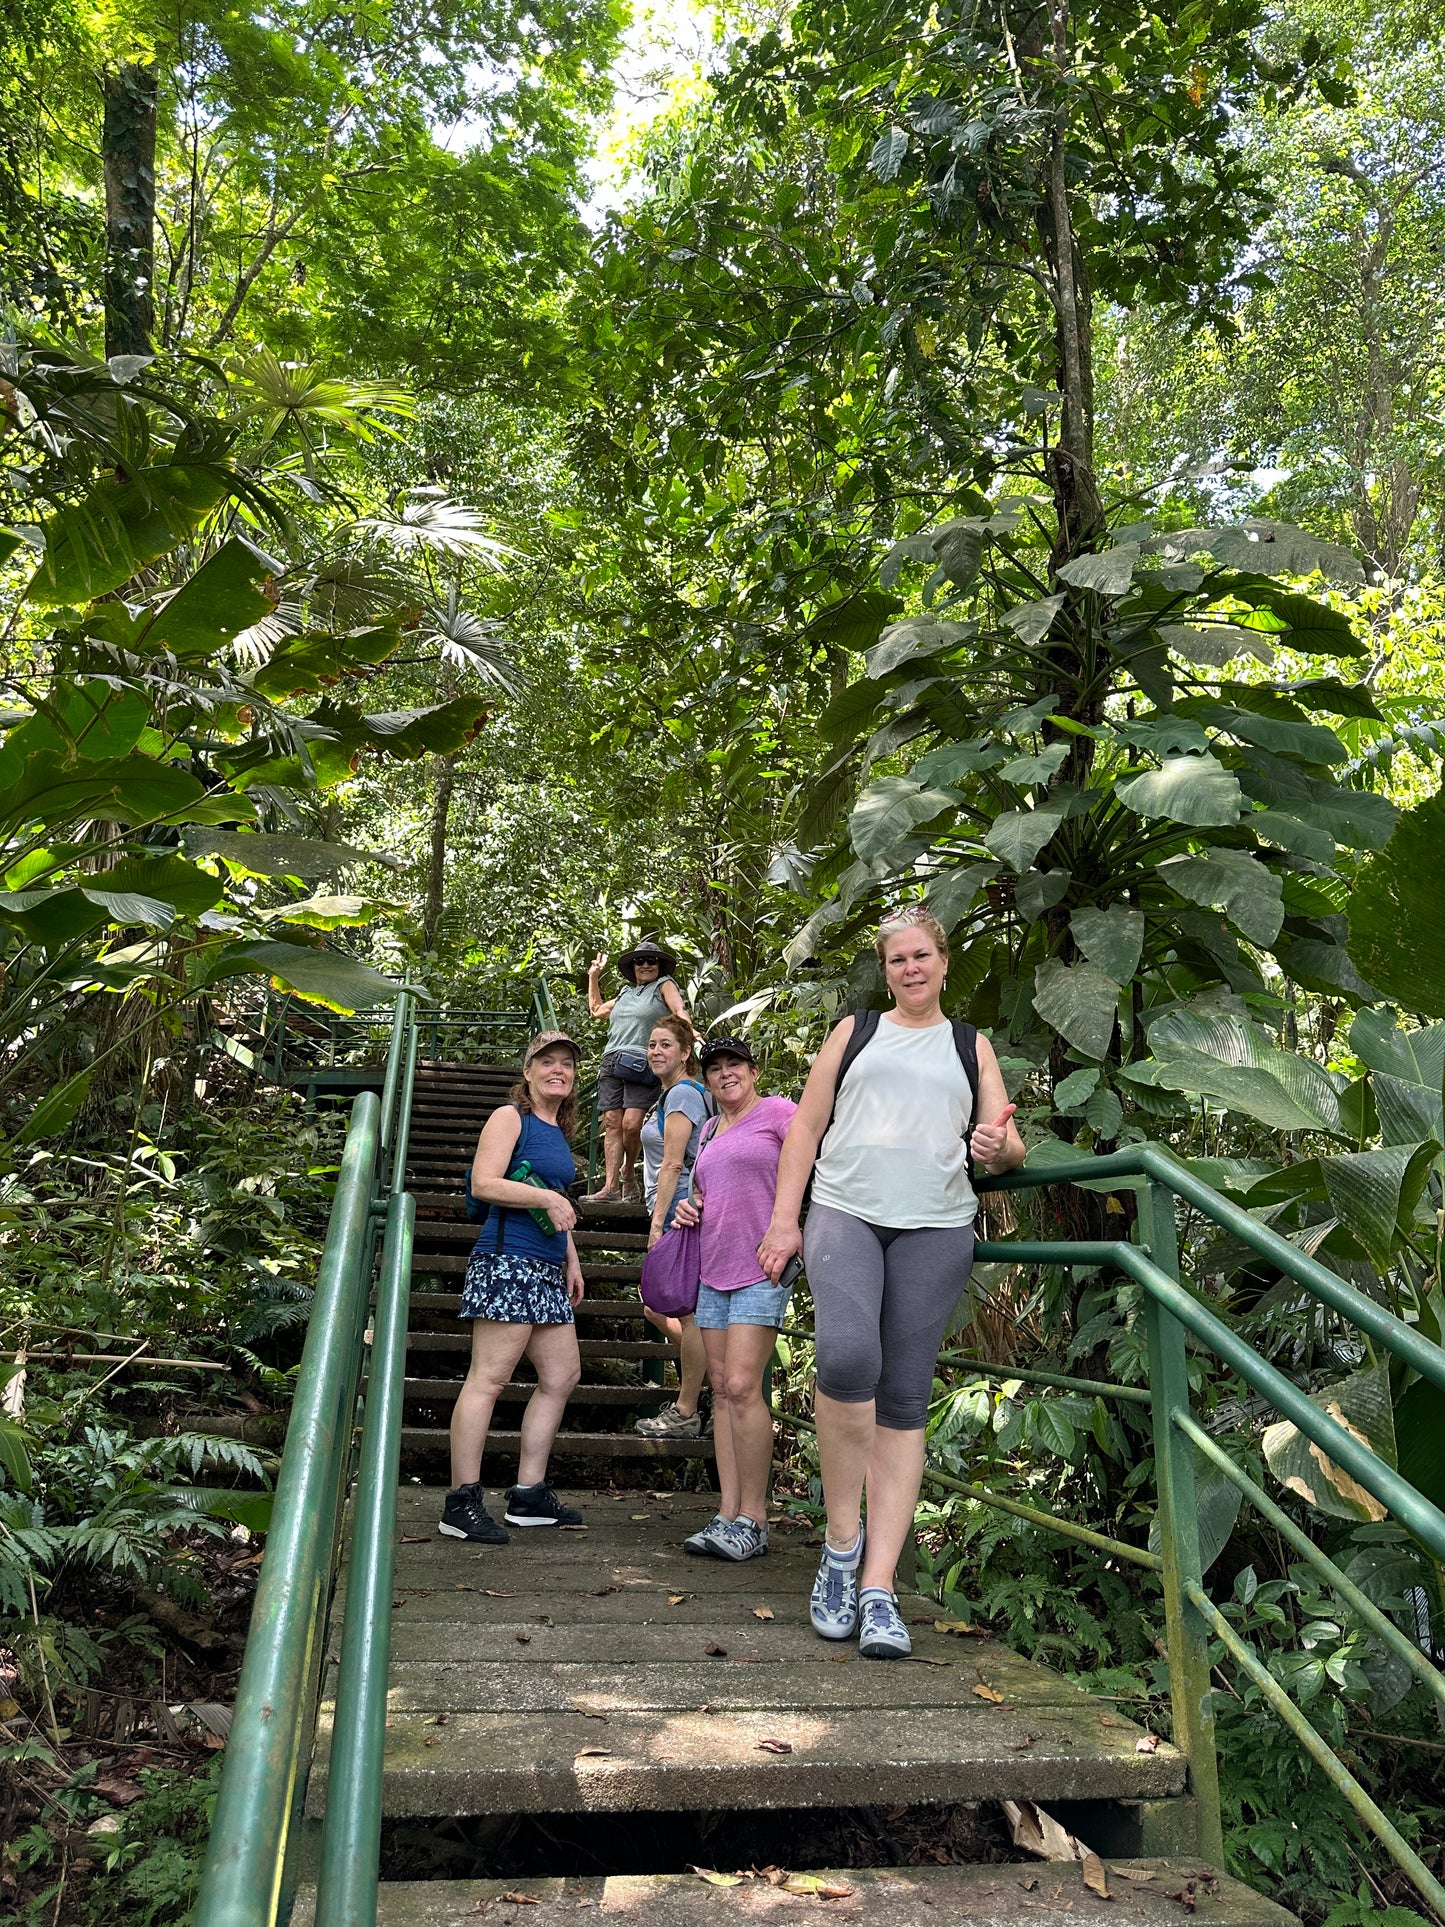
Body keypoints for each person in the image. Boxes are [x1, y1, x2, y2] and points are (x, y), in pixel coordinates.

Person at [757, 908, 1025, 1657]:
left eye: (921, 956)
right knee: (846, 1359)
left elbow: (1006, 1147)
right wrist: (785, 1220)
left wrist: (997, 1144)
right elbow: (805, 1128)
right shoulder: (855, 1032)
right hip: (844, 1210)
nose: (909, 968)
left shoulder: (971, 1045)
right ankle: (840, 1550)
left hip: (935, 1226)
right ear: (886, 971)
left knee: (905, 1394)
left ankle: (878, 1587)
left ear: (943, 962)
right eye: (896, 959)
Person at [440, 1031, 588, 1546]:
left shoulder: (558, 1130)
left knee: (562, 1374)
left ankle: (528, 1495)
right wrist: (544, 1201)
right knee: (490, 1378)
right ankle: (461, 1501)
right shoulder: (511, 1118)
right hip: (507, 1262)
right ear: (527, 1072)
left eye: (566, 1064)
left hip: (546, 1267)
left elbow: (556, 1198)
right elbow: (484, 1183)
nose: (557, 1070)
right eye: (546, 1062)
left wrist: (570, 1257)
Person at [673, 1034, 797, 1563]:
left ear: (752, 1069)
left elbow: (817, 1167)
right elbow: (706, 1190)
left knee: (745, 1386)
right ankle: (727, 1514)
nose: (726, 1073)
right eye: (715, 1067)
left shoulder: (779, 1113)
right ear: (705, 1078)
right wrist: (688, 1207)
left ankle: (755, 1519)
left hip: (760, 1267)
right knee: (721, 1391)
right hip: (712, 1268)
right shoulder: (705, 1130)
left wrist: (795, 1231)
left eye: (735, 1064)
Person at [633, 1013, 713, 1441]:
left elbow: (674, 1162)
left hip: (682, 1214)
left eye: (666, 1045)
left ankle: (687, 1407)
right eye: (651, 1044)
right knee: (661, 1305)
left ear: (685, 1054)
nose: (656, 1051)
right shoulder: (672, 1094)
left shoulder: (682, 1093)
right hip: (682, 1210)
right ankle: (711, 1386)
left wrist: (658, 1225)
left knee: (681, 1309)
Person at [587, 939, 690, 1203]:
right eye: (639, 961)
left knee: (631, 1125)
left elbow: (678, 1009)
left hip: (642, 1062)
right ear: (632, 967)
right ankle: (610, 1188)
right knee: (612, 1122)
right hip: (612, 1060)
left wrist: (688, 1034)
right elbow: (597, 1010)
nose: (645, 965)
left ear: (659, 965)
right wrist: (594, 976)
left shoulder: (663, 985)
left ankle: (628, 1175)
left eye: (651, 961)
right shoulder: (624, 993)